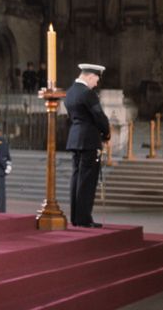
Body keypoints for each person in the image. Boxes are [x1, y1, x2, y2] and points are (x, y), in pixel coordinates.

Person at [65, 63, 110, 228]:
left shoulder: (70, 92)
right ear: (90, 76)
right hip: (89, 140)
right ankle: (84, 219)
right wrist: (106, 133)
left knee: (76, 178)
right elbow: (99, 116)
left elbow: (72, 117)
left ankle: (76, 218)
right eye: (96, 79)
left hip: (75, 138)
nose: (96, 83)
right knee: (87, 181)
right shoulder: (87, 94)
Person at [0, 125, 12, 213]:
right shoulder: (4, 141)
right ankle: (2, 209)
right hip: (2, 170)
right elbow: (8, 156)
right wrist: (8, 166)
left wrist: (5, 166)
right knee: (1, 191)